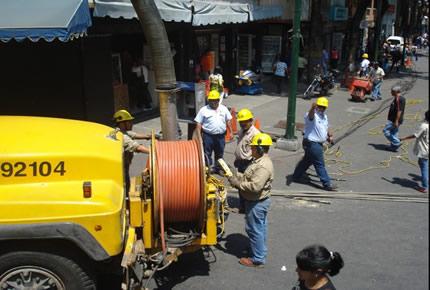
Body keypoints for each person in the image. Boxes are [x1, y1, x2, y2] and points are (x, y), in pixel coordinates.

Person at [227, 133, 274, 267]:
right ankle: (258, 250)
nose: (250, 150)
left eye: (253, 148)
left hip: (256, 203)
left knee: (255, 230)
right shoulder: (258, 161)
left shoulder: (263, 165)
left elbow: (255, 186)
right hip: (256, 202)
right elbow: (250, 177)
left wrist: (237, 184)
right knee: (260, 228)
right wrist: (235, 175)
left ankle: (257, 259)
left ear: (259, 149)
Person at [289, 97, 337, 191]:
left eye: (323, 107)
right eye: (320, 106)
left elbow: (326, 127)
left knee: (307, 160)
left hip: (316, 144)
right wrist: (312, 108)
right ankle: (327, 184)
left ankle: (296, 176)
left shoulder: (324, 116)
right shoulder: (312, 115)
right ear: (317, 106)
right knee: (319, 163)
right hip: (312, 143)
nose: (322, 108)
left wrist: (329, 135)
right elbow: (310, 116)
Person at [195, 90, 232, 173]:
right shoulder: (203, 110)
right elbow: (198, 124)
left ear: (218, 100)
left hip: (221, 136)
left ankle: (218, 168)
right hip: (208, 136)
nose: (213, 102)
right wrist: (199, 136)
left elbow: (228, 120)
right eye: (211, 100)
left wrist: (231, 132)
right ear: (209, 100)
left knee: (219, 153)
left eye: (215, 100)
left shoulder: (223, 109)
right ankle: (208, 169)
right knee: (207, 153)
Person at [113, 109, 150, 194]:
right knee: (126, 187)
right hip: (121, 169)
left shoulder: (120, 131)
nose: (132, 124)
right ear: (122, 123)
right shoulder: (122, 136)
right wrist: (155, 152)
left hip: (122, 167)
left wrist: (148, 136)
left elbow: (134, 135)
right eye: (129, 122)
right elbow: (137, 148)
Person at [234, 108, 261, 213]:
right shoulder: (242, 131)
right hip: (241, 162)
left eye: (245, 121)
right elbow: (240, 146)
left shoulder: (255, 134)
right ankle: (243, 206)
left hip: (249, 163)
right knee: (240, 185)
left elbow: (258, 153)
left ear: (251, 121)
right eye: (241, 122)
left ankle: (247, 207)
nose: (243, 124)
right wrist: (237, 158)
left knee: (246, 186)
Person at [400, 111, 428, 193]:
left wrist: (403, 138)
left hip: (424, 150)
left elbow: (415, 135)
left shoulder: (424, 126)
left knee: (424, 168)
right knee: (423, 163)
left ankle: (424, 187)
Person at [383, 85, 406, 152]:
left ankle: (396, 142)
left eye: (392, 91)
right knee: (394, 132)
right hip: (393, 119)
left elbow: (399, 111)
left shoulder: (399, 99)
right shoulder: (397, 98)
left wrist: (396, 121)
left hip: (394, 120)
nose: (391, 92)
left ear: (396, 92)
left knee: (386, 131)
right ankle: (393, 147)